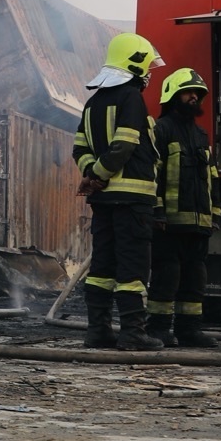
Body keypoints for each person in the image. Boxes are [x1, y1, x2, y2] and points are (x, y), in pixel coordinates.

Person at [72, 33, 164, 350]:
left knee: (102, 266)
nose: (150, 73)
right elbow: (124, 145)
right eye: (147, 65)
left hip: (104, 200)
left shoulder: (93, 101)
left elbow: (79, 147)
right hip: (132, 201)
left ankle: (97, 330)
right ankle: (133, 333)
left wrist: (90, 174)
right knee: (133, 267)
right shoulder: (132, 99)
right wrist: (98, 174)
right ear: (135, 62)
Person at [147, 68, 221, 348]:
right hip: (169, 223)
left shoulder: (201, 135)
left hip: (199, 223)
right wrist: (157, 211)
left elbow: (211, 177)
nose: (194, 98)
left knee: (195, 277)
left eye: (198, 94)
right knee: (167, 275)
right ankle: (158, 328)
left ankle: (190, 329)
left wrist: (214, 214)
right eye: (189, 92)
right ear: (172, 95)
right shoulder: (161, 130)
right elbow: (154, 174)